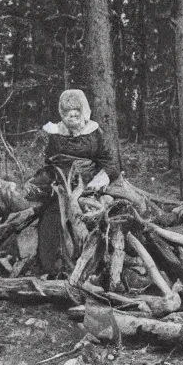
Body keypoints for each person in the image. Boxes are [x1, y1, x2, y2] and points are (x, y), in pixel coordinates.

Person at [25, 89, 119, 274]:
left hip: (88, 182)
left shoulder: (94, 132)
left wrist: (102, 178)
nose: (73, 116)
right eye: (68, 112)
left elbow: (110, 164)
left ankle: (94, 266)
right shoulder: (53, 132)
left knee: (93, 216)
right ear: (62, 113)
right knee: (52, 217)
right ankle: (53, 268)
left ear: (84, 111)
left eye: (77, 111)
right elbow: (46, 159)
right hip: (59, 181)